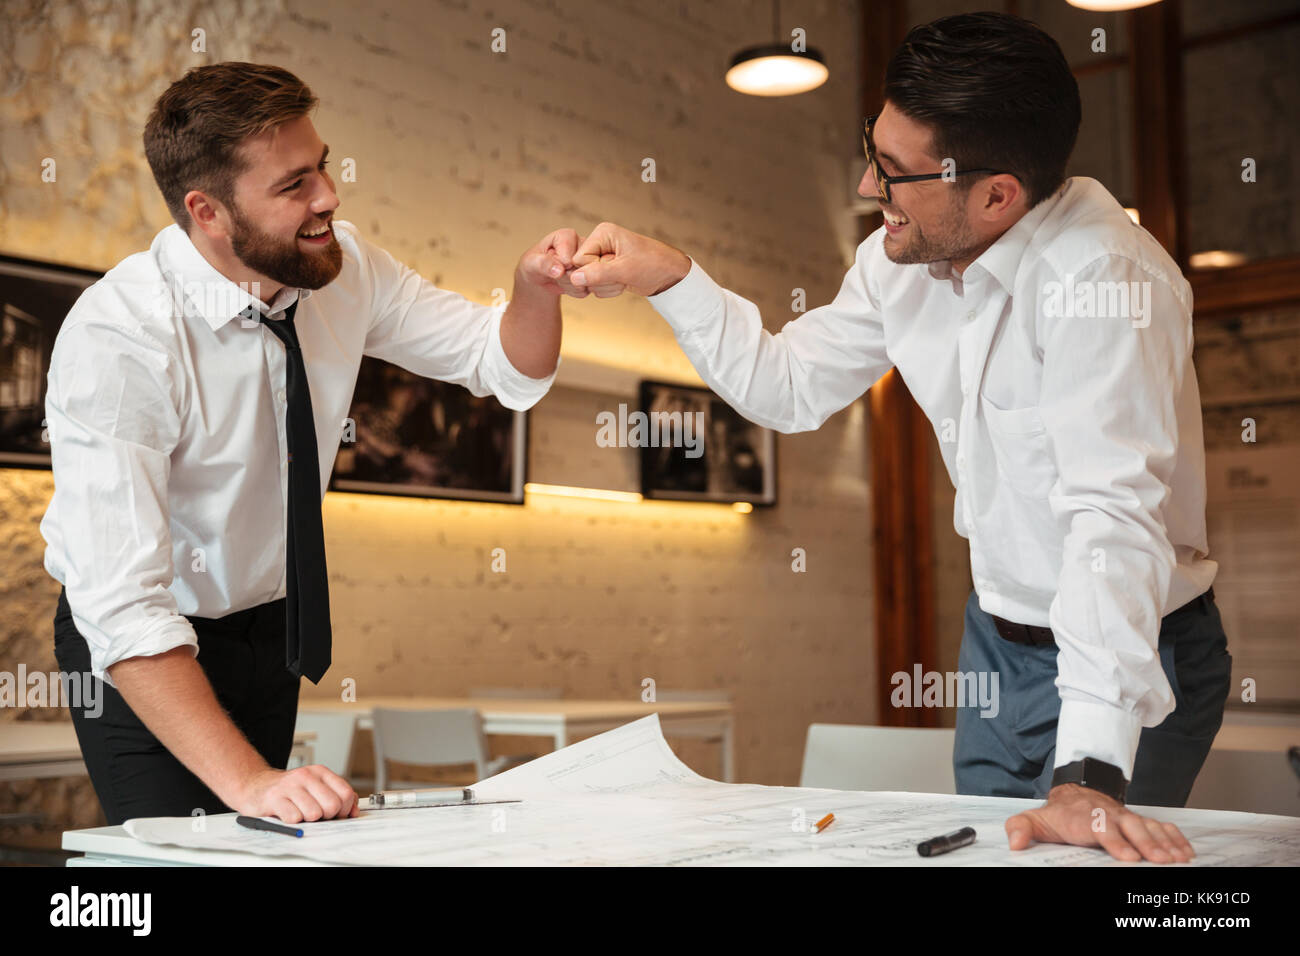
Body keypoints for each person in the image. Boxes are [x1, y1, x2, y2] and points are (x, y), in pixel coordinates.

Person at [566, 12, 1230, 864]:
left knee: (1088, 862)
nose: (866, 187)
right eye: (871, 152)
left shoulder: (1106, 281)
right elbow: (791, 387)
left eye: (895, 173)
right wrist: (673, 278)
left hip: (1143, 641)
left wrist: (1092, 768)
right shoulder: (898, 260)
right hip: (995, 642)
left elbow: (1112, 524)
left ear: (997, 194)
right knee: (979, 858)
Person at [44, 62, 582, 825]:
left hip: (271, 626)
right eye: (294, 184)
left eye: (322, 165)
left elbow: (501, 363)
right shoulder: (120, 337)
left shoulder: (347, 268)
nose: (329, 196)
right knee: (184, 855)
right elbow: (123, 606)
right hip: (140, 644)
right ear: (208, 211)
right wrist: (252, 781)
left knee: (271, 843)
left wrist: (535, 289)